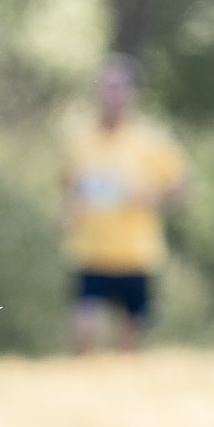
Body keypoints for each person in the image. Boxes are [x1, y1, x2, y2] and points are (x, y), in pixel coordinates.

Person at [62, 57, 189, 352]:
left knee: (131, 344)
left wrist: (151, 198)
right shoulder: (79, 139)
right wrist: (70, 210)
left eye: (119, 87)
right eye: (107, 87)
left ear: (133, 92)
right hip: (90, 251)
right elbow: (68, 186)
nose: (113, 95)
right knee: (84, 333)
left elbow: (183, 190)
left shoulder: (152, 139)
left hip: (136, 253)